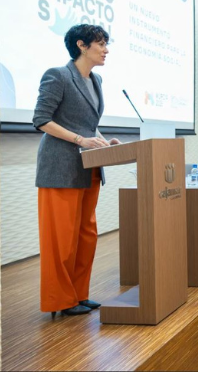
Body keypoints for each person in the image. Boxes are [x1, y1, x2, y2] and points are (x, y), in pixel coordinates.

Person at [32, 24, 121, 317]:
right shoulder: (58, 75)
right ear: (81, 45)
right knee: (61, 239)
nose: (106, 50)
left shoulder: (96, 81)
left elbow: (85, 123)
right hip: (60, 166)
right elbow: (42, 120)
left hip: (88, 168)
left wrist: (104, 141)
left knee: (86, 235)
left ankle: (78, 294)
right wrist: (80, 140)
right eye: (101, 44)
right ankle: (60, 300)